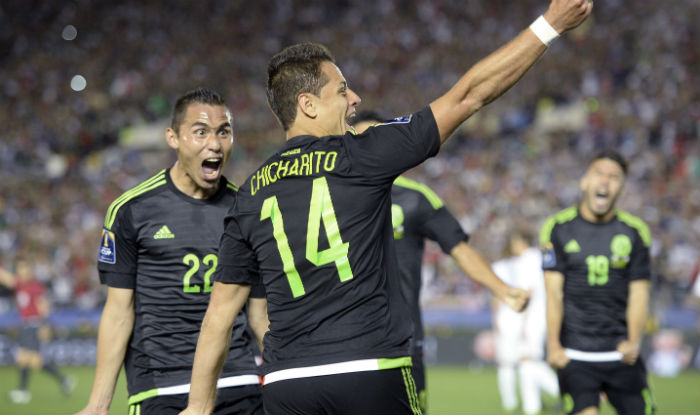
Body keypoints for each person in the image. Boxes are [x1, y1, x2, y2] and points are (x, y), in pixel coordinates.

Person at [183, 2, 591, 414]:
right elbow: (468, 96)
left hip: (287, 384)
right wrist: (551, 24)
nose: (355, 99)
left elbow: (219, 314)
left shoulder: (250, 193)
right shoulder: (361, 155)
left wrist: (198, 407)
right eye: (342, 90)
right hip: (369, 370)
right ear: (308, 104)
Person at [77, 88, 268, 415]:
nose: (215, 143)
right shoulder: (131, 210)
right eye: (201, 132)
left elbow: (259, 314)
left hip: (239, 380)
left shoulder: (247, 211)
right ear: (173, 137)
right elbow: (119, 312)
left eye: (224, 132)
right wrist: (98, 405)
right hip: (163, 386)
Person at [353, 111, 531, 413]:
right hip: (349, 338)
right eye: (359, 139)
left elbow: (459, 248)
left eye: (374, 138)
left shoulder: (416, 198)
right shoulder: (329, 197)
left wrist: (503, 289)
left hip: (403, 336)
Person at [540, 149, 655, 415]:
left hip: (620, 354)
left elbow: (639, 293)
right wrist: (553, 345)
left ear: (622, 188)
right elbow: (553, 294)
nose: (605, 181)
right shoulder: (557, 228)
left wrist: (633, 341)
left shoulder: (636, 232)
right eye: (599, 173)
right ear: (585, 181)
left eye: (614, 177)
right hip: (575, 355)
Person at [491, 229, 559, 415]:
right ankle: (532, 406)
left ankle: (564, 392)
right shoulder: (536, 257)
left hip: (532, 316)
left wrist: (523, 321)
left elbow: (529, 292)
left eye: (515, 242)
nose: (512, 246)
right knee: (526, 362)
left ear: (522, 242)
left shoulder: (529, 259)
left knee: (529, 360)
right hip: (538, 314)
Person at [0, 256, 76, 404]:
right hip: (26, 325)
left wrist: (44, 326)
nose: (22, 271)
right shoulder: (20, 284)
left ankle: (24, 392)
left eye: (25, 267)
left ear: (30, 270)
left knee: (27, 358)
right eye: (20, 268)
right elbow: (5, 277)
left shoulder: (35, 286)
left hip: (34, 325)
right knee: (30, 360)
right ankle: (63, 380)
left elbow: (44, 308)